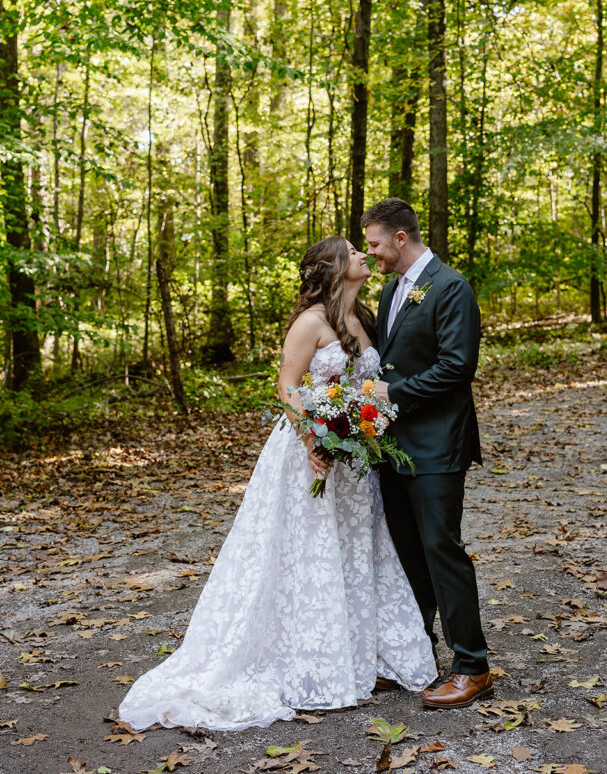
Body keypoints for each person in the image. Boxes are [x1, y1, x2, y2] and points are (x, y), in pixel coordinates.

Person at [118, 236, 436, 732]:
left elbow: (367, 387)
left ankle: (358, 653)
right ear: (333, 268)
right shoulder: (310, 321)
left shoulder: (364, 319)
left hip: (356, 458)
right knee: (306, 551)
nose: (362, 256)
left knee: (355, 548)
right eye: (353, 251)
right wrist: (313, 437)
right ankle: (305, 659)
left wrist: (362, 426)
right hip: (309, 452)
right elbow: (287, 386)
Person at [362, 199, 493, 709]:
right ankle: (416, 657)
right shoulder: (391, 286)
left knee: (442, 550)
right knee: (408, 555)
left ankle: (472, 666)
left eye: (375, 243)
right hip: (393, 446)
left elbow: (458, 367)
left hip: (438, 444)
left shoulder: (451, 287)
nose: (371, 253)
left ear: (400, 237)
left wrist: (389, 396)